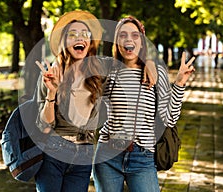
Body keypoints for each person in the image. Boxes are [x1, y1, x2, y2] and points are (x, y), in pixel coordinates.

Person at [34, 11, 156, 192]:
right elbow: (44, 126)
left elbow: (127, 59)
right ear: (64, 42)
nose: (79, 38)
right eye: (73, 34)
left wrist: (149, 62)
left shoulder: (99, 68)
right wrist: (52, 93)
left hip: (84, 154)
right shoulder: (53, 73)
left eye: (85, 34)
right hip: (54, 151)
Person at [93, 16, 196, 192]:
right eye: (122, 35)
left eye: (134, 35)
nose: (128, 40)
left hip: (143, 157)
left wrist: (179, 83)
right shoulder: (108, 69)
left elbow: (169, 120)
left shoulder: (157, 74)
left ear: (142, 41)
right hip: (107, 155)